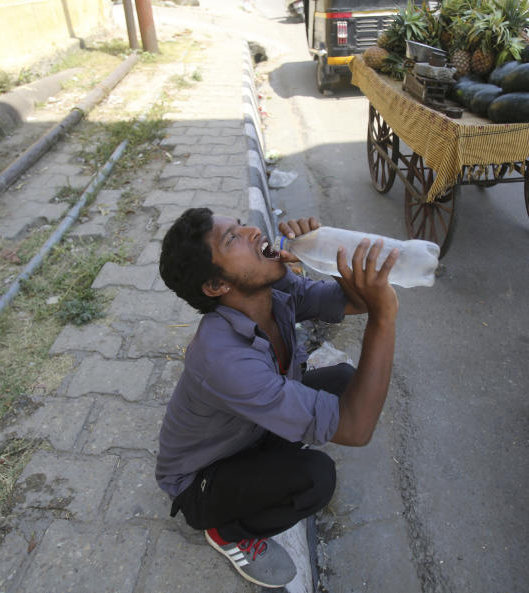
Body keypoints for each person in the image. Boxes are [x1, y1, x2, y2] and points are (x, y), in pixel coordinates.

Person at [156, 209, 399, 588]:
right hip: (201, 480)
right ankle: (228, 531)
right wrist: (384, 320)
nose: (253, 231)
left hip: (247, 433)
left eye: (240, 225)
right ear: (216, 285)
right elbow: (357, 429)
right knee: (315, 478)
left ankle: (270, 460)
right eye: (232, 239)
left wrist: (327, 250)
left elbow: (351, 301)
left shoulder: (272, 290)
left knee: (342, 380)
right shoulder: (224, 358)